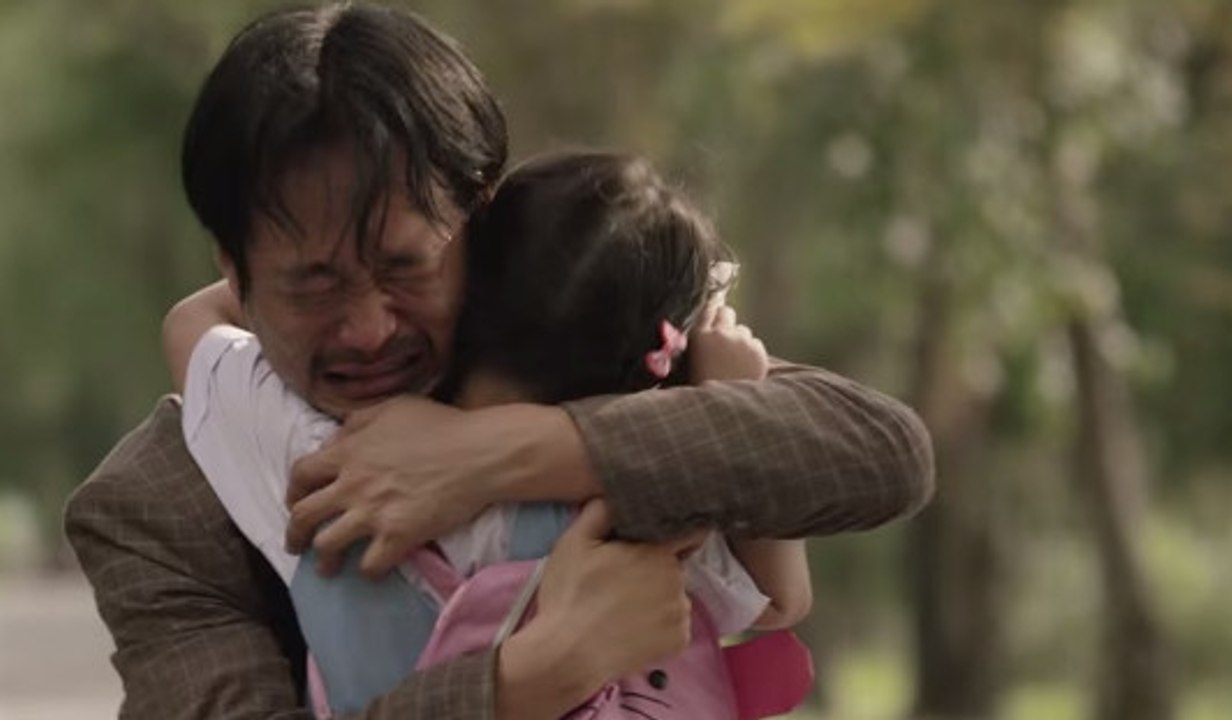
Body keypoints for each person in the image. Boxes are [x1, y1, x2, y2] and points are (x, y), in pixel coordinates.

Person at [63, 4, 934, 719]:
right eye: (313, 286)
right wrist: (527, 680)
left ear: (479, 221)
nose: (368, 329)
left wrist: (505, 451)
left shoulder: (566, 355)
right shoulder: (155, 508)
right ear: (232, 267)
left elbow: (878, 452)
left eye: (404, 267)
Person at [164, 150, 812, 716]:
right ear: (653, 366)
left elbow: (192, 321)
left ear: (465, 288)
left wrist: (337, 263)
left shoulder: (319, 461)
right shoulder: (642, 509)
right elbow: (781, 601)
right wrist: (726, 398)